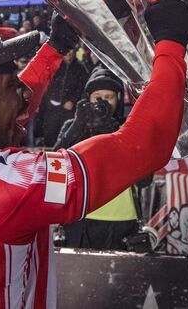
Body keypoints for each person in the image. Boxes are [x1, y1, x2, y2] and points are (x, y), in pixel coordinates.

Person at [0, 0, 188, 307]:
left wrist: (54, 50)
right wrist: (170, 46)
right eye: (12, 84)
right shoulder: (2, 187)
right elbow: (142, 146)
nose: (24, 93)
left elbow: (2, 113)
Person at [54, 67, 140, 251]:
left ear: (118, 99)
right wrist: (78, 126)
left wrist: (115, 132)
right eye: (97, 97)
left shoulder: (128, 129)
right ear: (88, 99)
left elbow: (144, 179)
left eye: (108, 97)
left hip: (120, 220)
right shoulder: (73, 126)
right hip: (80, 216)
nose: (102, 103)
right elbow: (54, 167)